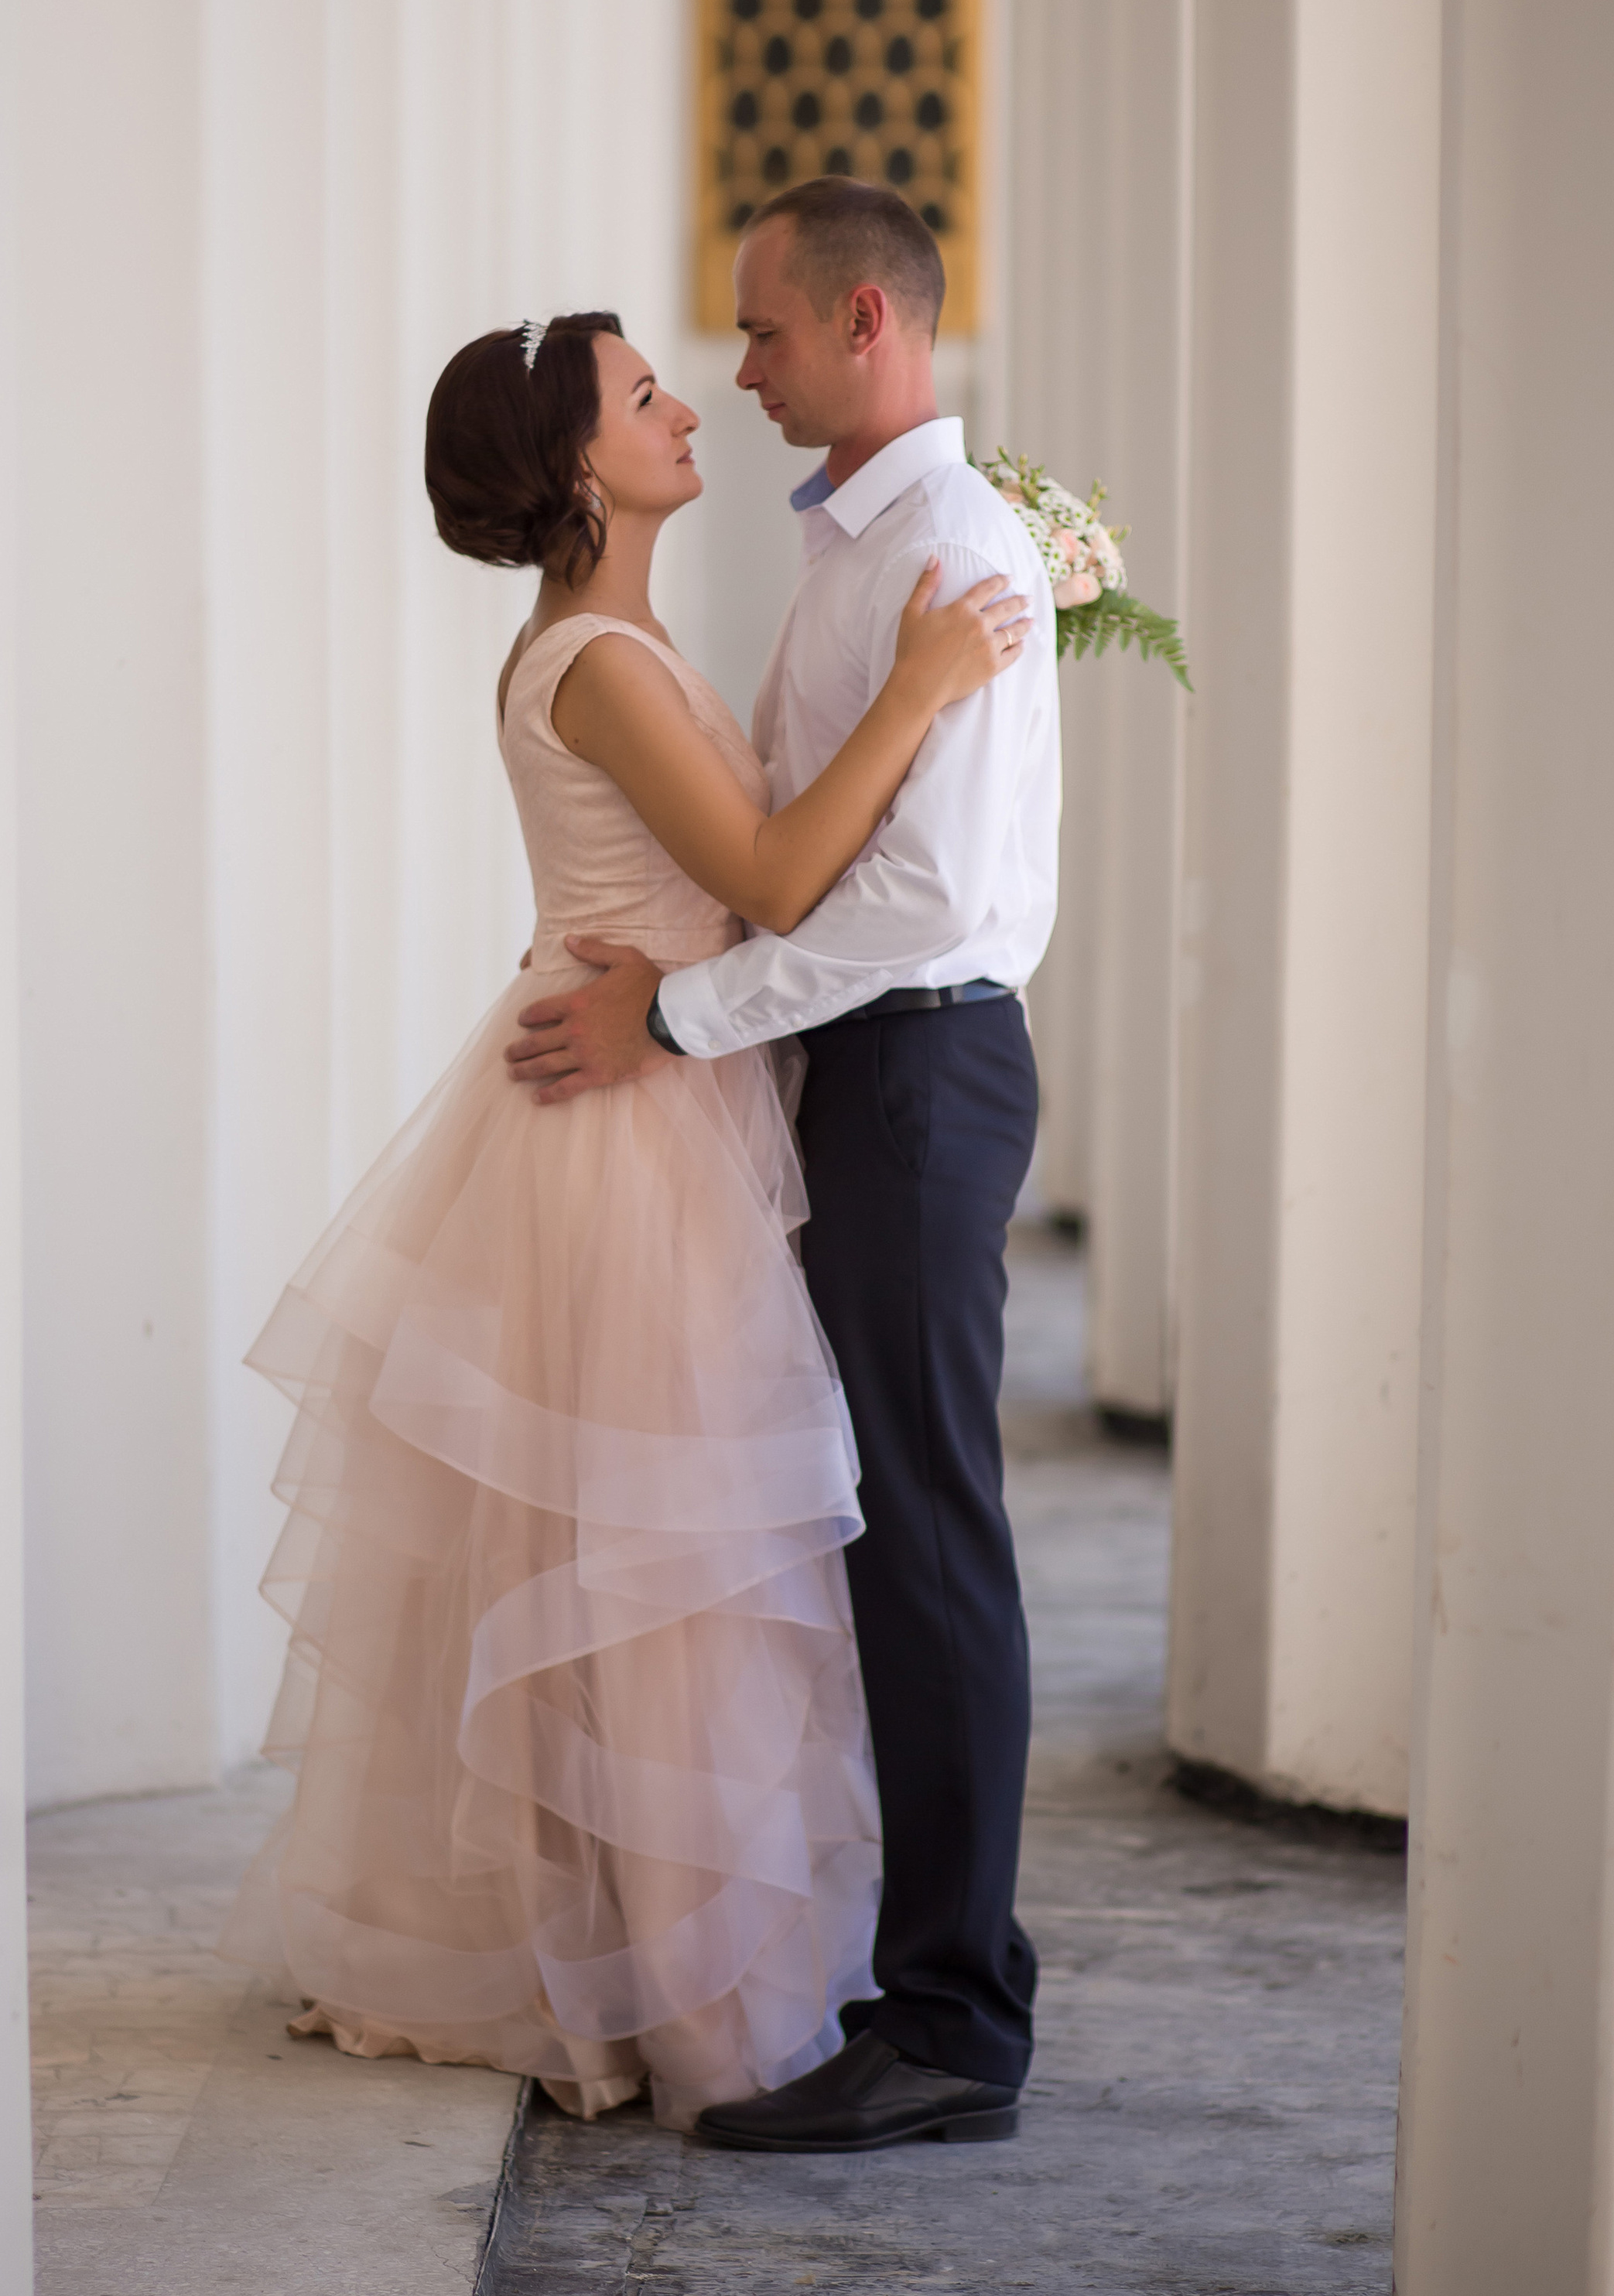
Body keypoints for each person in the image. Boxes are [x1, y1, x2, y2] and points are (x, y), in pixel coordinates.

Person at [217, 306, 1030, 2133]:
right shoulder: (593, 659)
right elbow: (771, 877)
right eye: (643, 394)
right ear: (579, 462)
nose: (686, 406)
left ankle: (634, 1942)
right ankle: (676, 1983)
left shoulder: (619, 643)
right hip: (633, 1131)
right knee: (672, 1559)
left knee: (661, 1552)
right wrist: (922, 687)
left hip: (670, 1090)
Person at [504, 183, 1060, 2153]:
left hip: (911, 1068)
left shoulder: (947, 552)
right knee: (879, 1534)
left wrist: (677, 1017)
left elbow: (913, 903)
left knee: (923, 1537)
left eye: (754, 331)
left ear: (859, 322)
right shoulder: (864, 550)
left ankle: (953, 2023)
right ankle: (913, 1987)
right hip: (856, 1070)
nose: (731, 372)